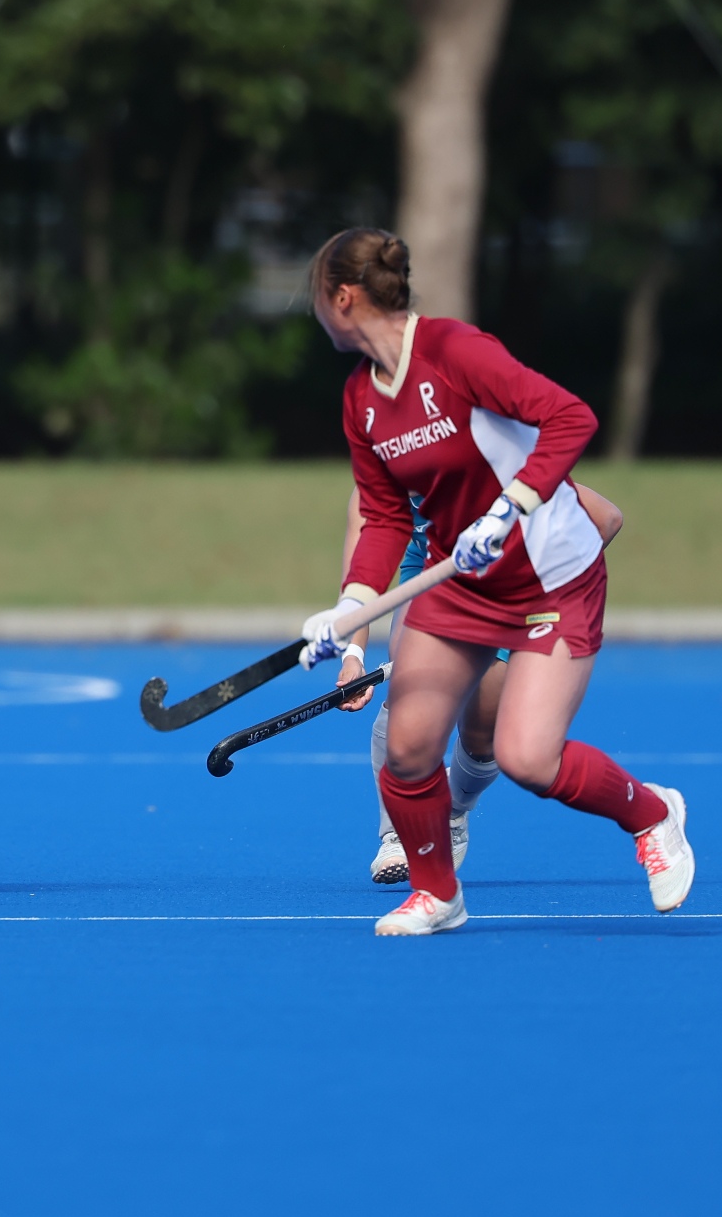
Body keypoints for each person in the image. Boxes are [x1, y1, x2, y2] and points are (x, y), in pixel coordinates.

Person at [297, 229, 693, 935]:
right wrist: (349, 610)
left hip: (552, 578)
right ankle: (436, 894)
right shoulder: (361, 399)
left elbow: (570, 416)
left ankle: (654, 814)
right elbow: (384, 516)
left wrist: (512, 505)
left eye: (317, 297)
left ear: (345, 298)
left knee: (528, 758)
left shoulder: (453, 351)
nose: (314, 310)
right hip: (462, 584)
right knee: (408, 746)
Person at [331, 482, 626, 887]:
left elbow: (606, 519)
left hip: (505, 587)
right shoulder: (374, 487)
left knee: (481, 732)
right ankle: (399, 834)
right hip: (433, 571)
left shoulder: (496, 465)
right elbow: (359, 583)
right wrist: (354, 655)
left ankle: (454, 811)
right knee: (407, 697)